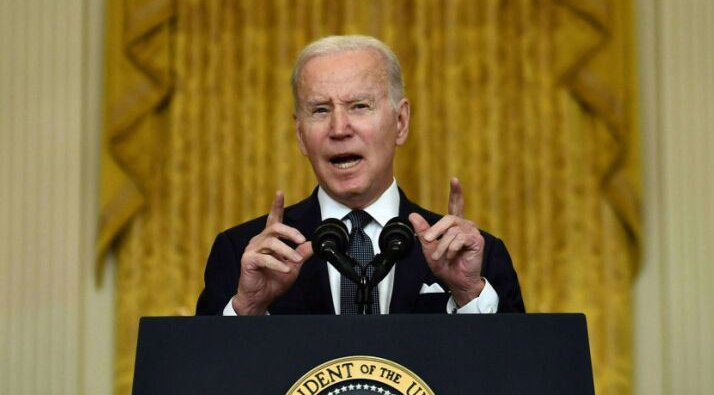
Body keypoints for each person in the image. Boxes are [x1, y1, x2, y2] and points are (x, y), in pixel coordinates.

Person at [196, 35, 524, 316]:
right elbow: (204, 380)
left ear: (400, 122)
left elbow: (517, 376)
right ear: (300, 134)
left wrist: (468, 293)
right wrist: (248, 308)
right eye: (320, 110)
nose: (339, 129)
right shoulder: (244, 256)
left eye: (359, 106)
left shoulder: (475, 255)